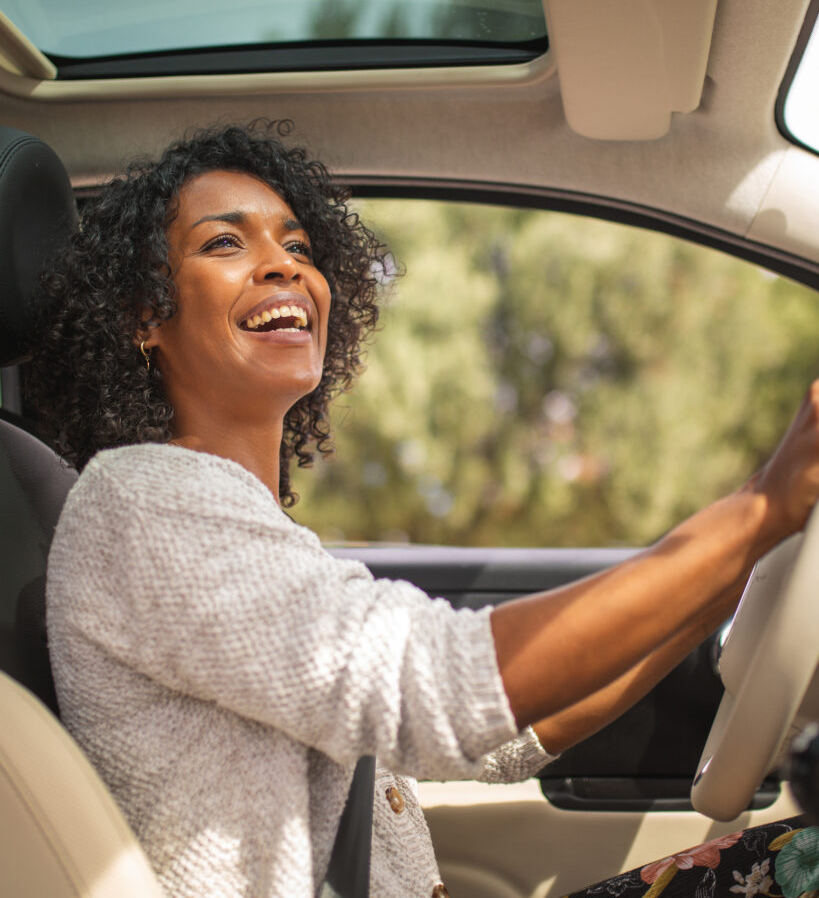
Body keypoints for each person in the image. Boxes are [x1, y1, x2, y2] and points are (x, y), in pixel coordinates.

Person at [25, 123, 818, 898]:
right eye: (225, 244)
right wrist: (756, 512)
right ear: (142, 316)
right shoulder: (145, 502)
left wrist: (739, 560)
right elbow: (436, 688)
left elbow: (496, 746)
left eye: (298, 247)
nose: (281, 267)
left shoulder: (256, 536)